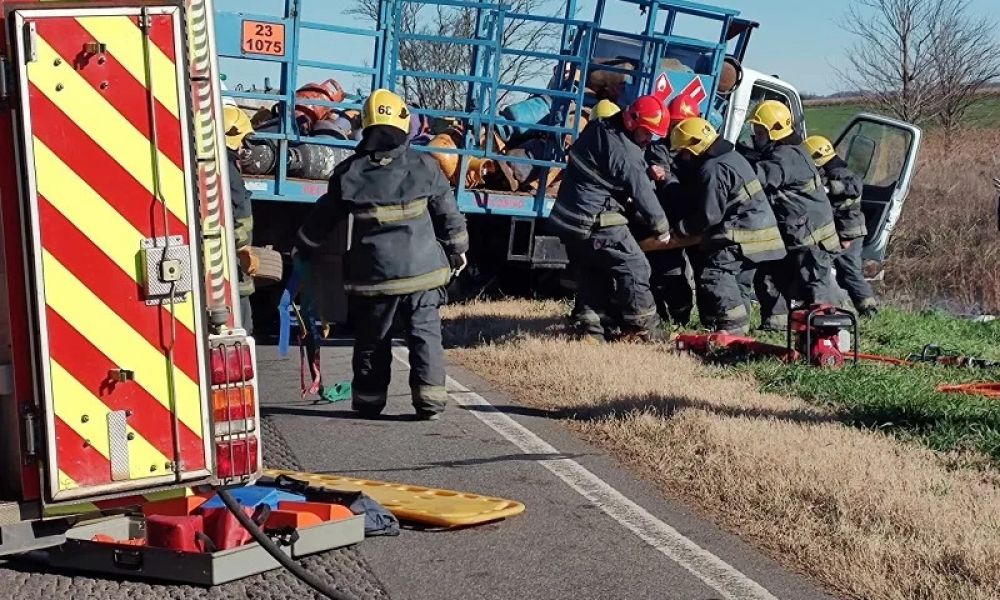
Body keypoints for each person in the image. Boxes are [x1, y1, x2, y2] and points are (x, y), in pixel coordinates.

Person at [295, 89, 469, 421]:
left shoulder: (349, 173)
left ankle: (369, 400)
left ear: (365, 125)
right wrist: (458, 250)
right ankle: (429, 401)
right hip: (424, 276)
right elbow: (449, 215)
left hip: (374, 280)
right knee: (425, 335)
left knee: (372, 339)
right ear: (404, 123)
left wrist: (301, 248)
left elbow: (321, 221)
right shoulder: (426, 166)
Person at [550, 95, 671, 343]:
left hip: (569, 219)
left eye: (653, 135)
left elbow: (616, 171)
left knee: (595, 269)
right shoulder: (623, 150)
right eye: (646, 133)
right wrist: (661, 227)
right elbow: (640, 190)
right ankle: (643, 331)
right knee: (636, 266)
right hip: (592, 218)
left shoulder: (602, 129)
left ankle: (591, 330)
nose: (649, 139)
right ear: (632, 122)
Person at [668, 118, 786, 333]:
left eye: (683, 151)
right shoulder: (731, 156)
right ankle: (741, 330)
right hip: (762, 233)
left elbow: (709, 216)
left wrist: (679, 230)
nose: (681, 157)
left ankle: (733, 330)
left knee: (715, 273)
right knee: (738, 283)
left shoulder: (713, 169)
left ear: (694, 146)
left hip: (742, 232)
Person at [745, 100, 840, 330]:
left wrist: (735, 164)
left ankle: (829, 332)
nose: (755, 137)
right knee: (769, 275)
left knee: (815, 285)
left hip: (811, 238)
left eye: (759, 132)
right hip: (796, 233)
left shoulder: (787, 156)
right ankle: (776, 325)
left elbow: (762, 177)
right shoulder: (788, 151)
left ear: (774, 133)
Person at [804, 135, 877, 317]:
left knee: (849, 272)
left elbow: (854, 186)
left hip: (848, 232)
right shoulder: (832, 172)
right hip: (846, 231)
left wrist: (827, 188)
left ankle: (868, 309)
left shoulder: (840, 175)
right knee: (845, 272)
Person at [223, 106, 257, 335]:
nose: (245, 147)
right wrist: (242, 247)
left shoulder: (220, 164)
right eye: (244, 140)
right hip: (234, 261)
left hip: (232, 257)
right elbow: (231, 212)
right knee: (241, 325)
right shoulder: (229, 171)